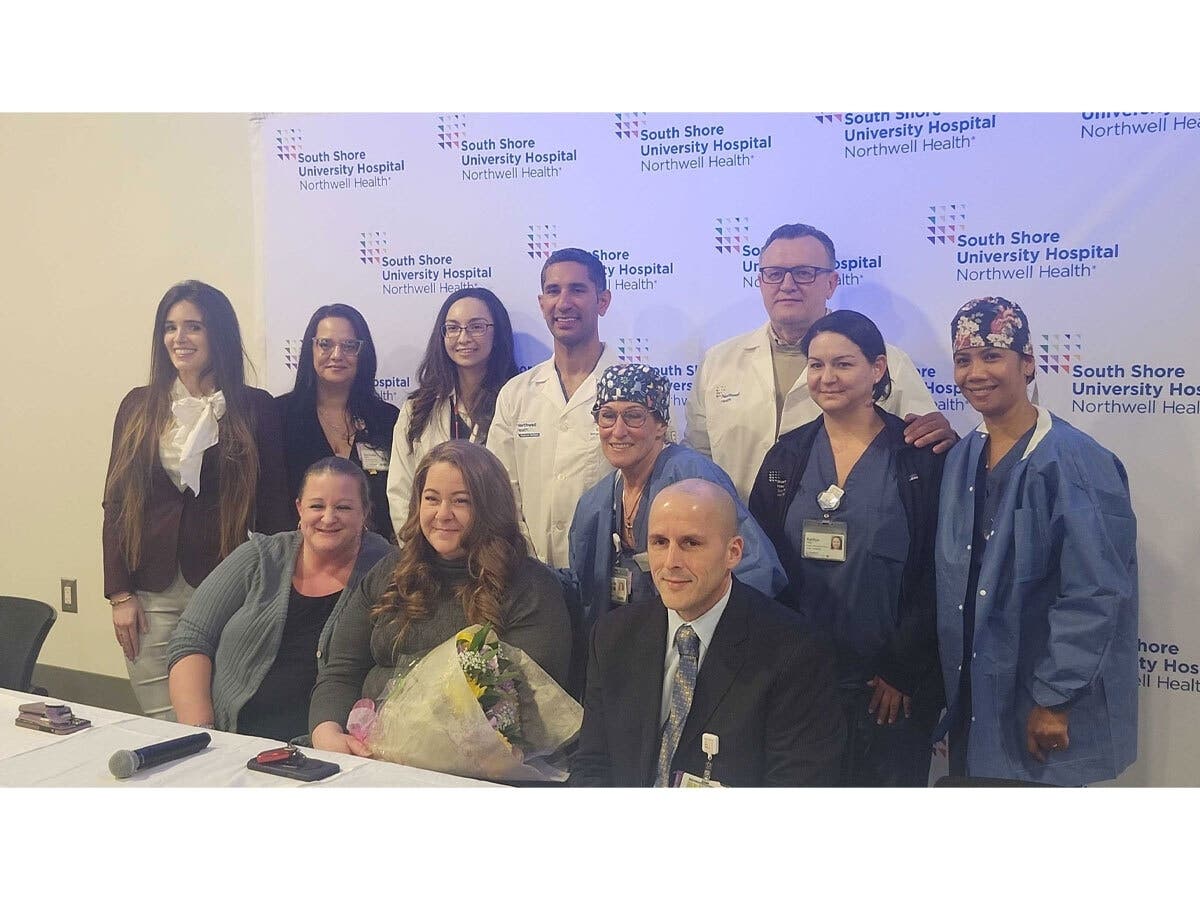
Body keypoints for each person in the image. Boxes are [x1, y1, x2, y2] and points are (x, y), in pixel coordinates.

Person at [936, 296, 1138, 785]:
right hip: (974, 705)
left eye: (992, 356)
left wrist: (1055, 699)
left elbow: (1095, 592)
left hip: (1041, 707)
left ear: (1028, 363)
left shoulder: (1075, 460)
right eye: (963, 359)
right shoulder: (963, 457)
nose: (975, 372)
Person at [749, 310, 944, 787]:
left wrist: (903, 668)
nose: (826, 377)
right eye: (815, 365)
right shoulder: (787, 457)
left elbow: (940, 572)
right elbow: (759, 561)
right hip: (802, 677)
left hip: (889, 685)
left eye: (843, 364)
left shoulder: (919, 455)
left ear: (877, 370)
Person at [569, 479, 844, 787]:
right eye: (660, 542)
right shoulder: (612, 636)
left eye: (691, 543)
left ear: (734, 552)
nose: (671, 562)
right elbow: (592, 765)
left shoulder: (793, 654)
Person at [102, 280, 292, 719]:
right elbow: (116, 505)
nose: (179, 338)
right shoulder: (138, 406)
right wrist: (119, 593)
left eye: (193, 327)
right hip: (152, 590)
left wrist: (275, 593)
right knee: (163, 720)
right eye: (170, 327)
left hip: (231, 584)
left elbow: (276, 508)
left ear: (218, 335)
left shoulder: (255, 408)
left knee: (221, 715)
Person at [309, 440, 572, 755]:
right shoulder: (391, 570)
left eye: (461, 501)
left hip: (477, 771)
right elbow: (342, 668)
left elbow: (528, 705)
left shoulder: (531, 587)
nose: (442, 514)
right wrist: (327, 733)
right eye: (431, 499)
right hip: (367, 756)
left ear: (490, 508)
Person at [684, 222, 956, 501]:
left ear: (831, 283)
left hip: (848, 534)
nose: (787, 285)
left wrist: (941, 436)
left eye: (804, 273)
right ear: (760, 281)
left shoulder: (886, 362)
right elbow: (697, 462)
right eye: (775, 274)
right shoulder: (718, 362)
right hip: (734, 534)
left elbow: (924, 442)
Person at [166, 457, 392, 741]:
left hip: (329, 751)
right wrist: (203, 734)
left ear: (365, 513)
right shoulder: (258, 557)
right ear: (299, 508)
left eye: (343, 507)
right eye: (317, 506)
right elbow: (191, 639)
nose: (328, 517)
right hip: (231, 740)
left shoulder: (389, 569)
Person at [569, 363, 786, 632]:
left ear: (660, 424)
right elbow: (582, 586)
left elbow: (757, 570)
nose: (618, 430)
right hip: (628, 646)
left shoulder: (693, 477)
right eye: (607, 416)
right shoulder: (595, 502)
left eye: (634, 416)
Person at [490, 248, 621, 567]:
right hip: (529, 576)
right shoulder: (516, 394)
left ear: (602, 301)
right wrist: (528, 567)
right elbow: (499, 491)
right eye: (553, 291)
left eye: (577, 290)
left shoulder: (633, 390)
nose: (563, 303)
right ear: (542, 303)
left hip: (612, 578)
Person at [386, 288, 518, 537]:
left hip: (497, 549)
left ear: (497, 333)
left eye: (476, 327)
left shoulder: (516, 401)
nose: (463, 337)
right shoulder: (418, 409)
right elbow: (401, 492)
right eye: (453, 328)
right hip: (431, 551)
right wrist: (420, 551)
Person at [276, 303, 399, 541]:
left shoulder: (386, 419)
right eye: (325, 344)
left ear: (362, 353)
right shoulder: (279, 416)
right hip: (299, 558)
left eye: (349, 345)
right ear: (310, 349)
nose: (337, 354)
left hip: (374, 558)